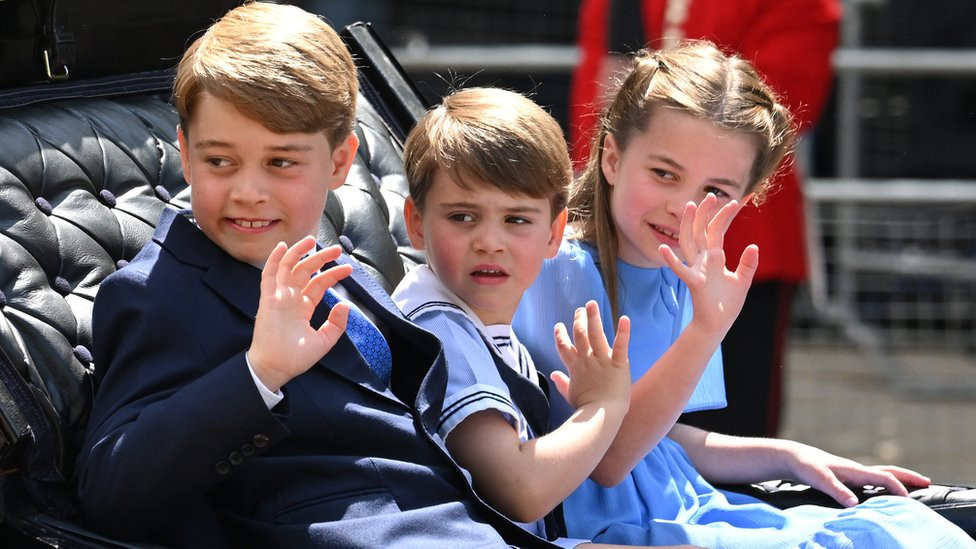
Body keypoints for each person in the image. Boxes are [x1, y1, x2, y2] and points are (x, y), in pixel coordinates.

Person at [76, 4, 558, 548]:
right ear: (185, 155)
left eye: (281, 162)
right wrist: (260, 372)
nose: (248, 191)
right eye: (220, 161)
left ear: (338, 162)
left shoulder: (329, 265)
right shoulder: (159, 294)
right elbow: (108, 489)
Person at [513, 41, 975, 547]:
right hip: (606, 526)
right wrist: (706, 330)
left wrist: (789, 455)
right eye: (664, 174)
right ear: (611, 159)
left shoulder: (687, 278)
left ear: (746, 199)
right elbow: (609, 458)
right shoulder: (556, 270)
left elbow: (660, 441)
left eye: (715, 192)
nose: (683, 208)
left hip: (686, 502)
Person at [391, 86, 698, 549]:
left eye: (516, 220)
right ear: (416, 223)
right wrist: (604, 406)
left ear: (555, 233)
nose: (490, 241)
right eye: (462, 217)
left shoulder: (477, 321)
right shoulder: (439, 329)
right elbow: (522, 491)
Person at [569, 0, 842, 437]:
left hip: (737, 242)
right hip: (626, 227)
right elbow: (600, 90)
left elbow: (783, 101)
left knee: (734, 421)